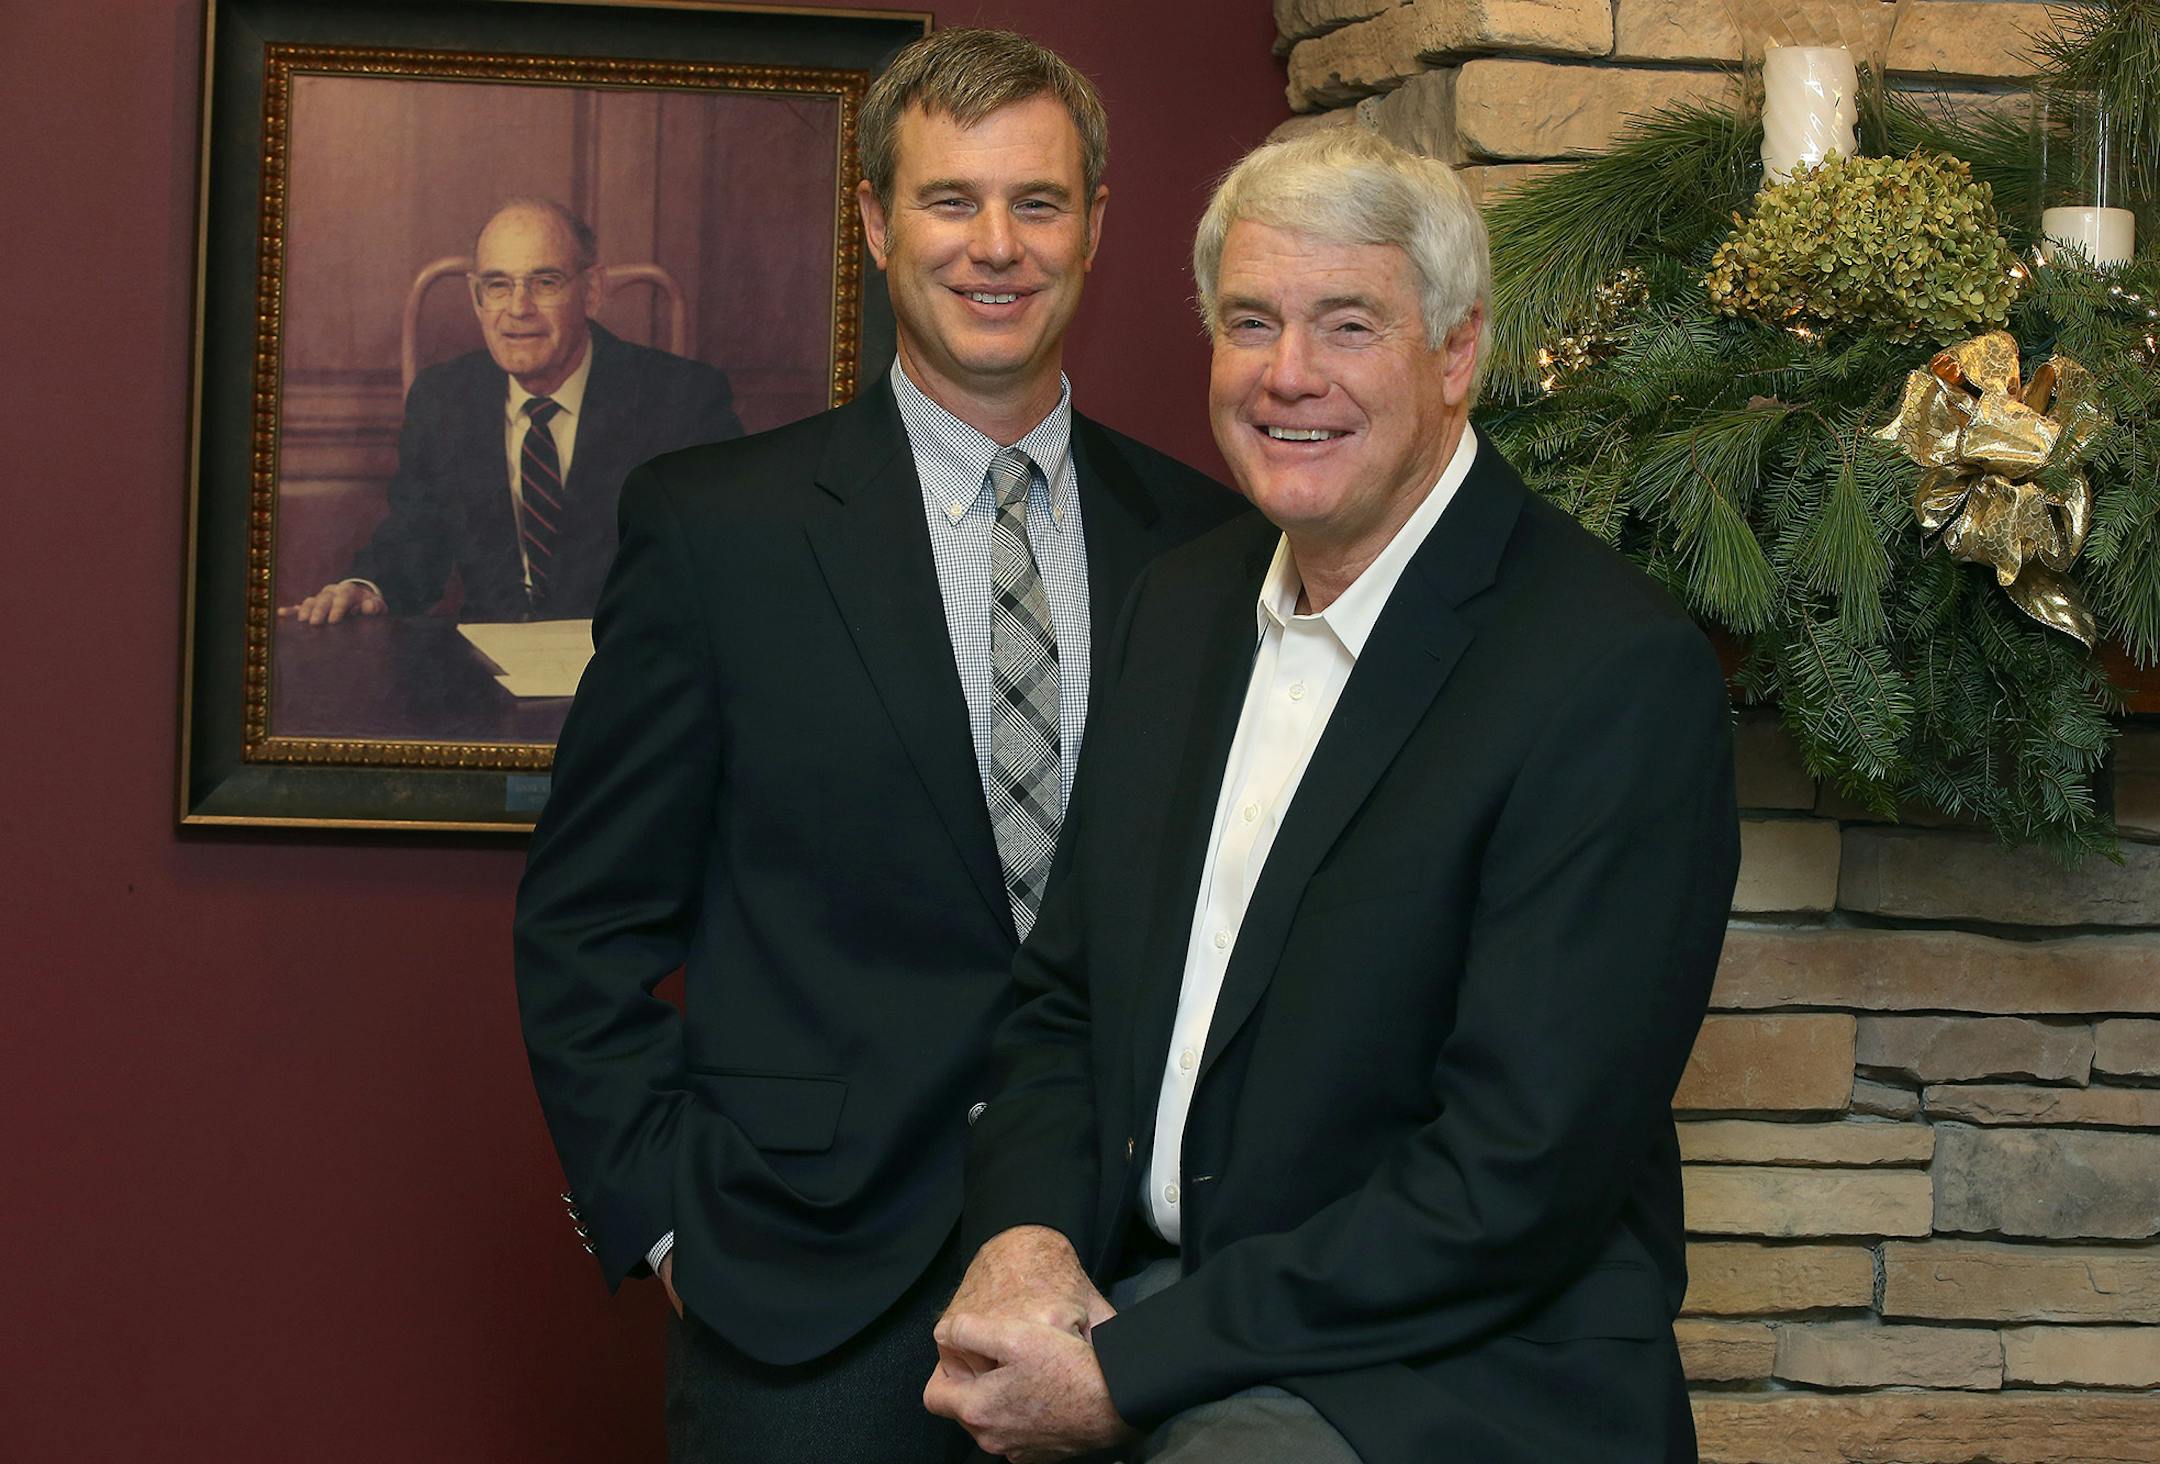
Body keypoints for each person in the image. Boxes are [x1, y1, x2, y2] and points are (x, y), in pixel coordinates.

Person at [926, 127, 1741, 1464]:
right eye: (1250, 322)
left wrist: (1126, 1368)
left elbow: (1514, 1179)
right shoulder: (1181, 609)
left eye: (1346, 325)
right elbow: (1065, 1002)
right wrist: (1022, 1247)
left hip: (1457, 1361)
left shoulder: (1609, 674)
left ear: (1457, 356)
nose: (1285, 375)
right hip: (1173, 1296)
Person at [512, 29, 1237, 1464]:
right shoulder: (719, 531)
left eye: (1037, 203)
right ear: (874, 224)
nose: (995, 247)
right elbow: (582, 924)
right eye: (949, 200)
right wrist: (669, 1226)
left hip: (1140, 1281)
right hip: (804, 1295)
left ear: (1096, 225)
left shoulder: (1211, 543)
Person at [281, 199, 741, 626]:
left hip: (627, 667)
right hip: (484, 679)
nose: (518, 309)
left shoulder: (683, 399)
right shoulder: (443, 400)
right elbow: (415, 539)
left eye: (544, 283)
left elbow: (723, 561)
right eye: (498, 285)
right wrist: (367, 588)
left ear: (593, 291)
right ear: (476, 297)